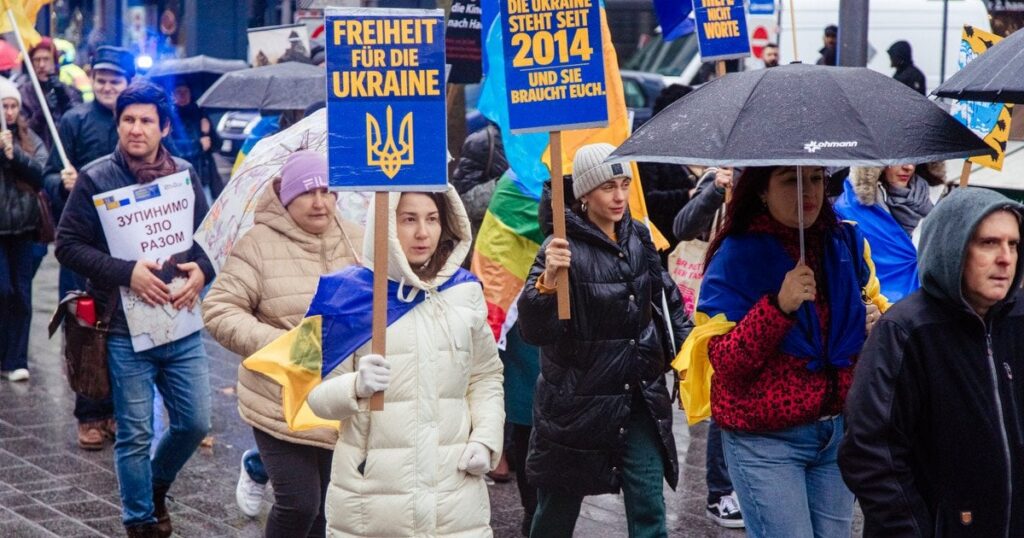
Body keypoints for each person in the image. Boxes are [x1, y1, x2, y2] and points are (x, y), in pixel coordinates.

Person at [683, 166, 888, 538]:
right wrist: (778, 307)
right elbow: (727, 363)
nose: (807, 191)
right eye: (790, 180)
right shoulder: (735, 255)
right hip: (766, 442)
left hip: (836, 433)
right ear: (762, 190)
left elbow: (870, 329)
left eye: (814, 179)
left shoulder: (846, 242)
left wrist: (873, 322)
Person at [55, 81, 214, 538]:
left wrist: (203, 272)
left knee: (194, 421)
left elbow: (206, 241)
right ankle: (140, 520)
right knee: (135, 433)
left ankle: (155, 484)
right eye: (128, 120)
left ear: (164, 127)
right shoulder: (95, 177)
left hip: (180, 325)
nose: (136, 129)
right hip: (122, 328)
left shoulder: (183, 173)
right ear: (118, 125)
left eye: (146, 121)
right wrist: (128, 273)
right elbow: (67, 246)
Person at [307, 187, 505, 537]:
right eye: (408, 219)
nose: (422, 233)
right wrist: (355, 385)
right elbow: (311, 396)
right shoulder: (342, 295)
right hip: (371, 503)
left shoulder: (465, 291)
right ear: (384, 222)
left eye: (432, 219)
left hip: (454, 498)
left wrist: (486, 439)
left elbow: (486, 376)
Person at [517, 143, 688, 537]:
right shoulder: (559, 248)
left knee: (649, 508)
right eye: (608, 186)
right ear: (584, 193)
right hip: (577, 404)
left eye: (624, 184)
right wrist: (546, 284)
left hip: (638, 397)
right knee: (556, 514)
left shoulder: (638, 235)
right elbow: (536, 330)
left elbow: (665, 298)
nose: (619, 196)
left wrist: (687, 351)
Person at [840, 187, 1024, 537]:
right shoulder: (906, 331)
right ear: (952, 246)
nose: (1005, 258)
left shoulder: (1018, 320)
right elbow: (869, 450)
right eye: (988, 243)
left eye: (1013, 244)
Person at [203, 150, 363, 535]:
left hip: (337, 398)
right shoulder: (258, 244)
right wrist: (285, 345)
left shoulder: (357, 239)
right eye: (308, 192)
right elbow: (218, 310)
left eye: (328, 190)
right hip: (278, 401)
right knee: (298, 503)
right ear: (287, 197)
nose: (320, 201)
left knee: (328, 508)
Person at [45, 45, 134, 451]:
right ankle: (89, 413)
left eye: (115, 80)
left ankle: (117, 409)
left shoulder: (136, 123)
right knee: (85, 329)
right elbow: (46, 177)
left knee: (124, 327)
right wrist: (59, 182)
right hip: (80, 245)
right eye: (101, 78)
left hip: (127, 246)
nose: (107, 86)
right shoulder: (74, 120)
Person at [669, 164, 745, 528]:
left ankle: (738, 485)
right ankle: (720, 492)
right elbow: (682, 226)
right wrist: (717, 189)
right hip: (717, 302)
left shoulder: (777, 179)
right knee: (723, 393)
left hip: (755, 295)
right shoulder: (720, 176)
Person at [0, 75, 48, 382]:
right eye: (3, 105)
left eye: (13, 105)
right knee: (3, 291)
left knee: (22, 294)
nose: (9, 112)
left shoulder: (29, 139)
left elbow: (40, 173)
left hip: (24, 230)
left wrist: (14, 154)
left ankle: (16, 359)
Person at [833, 164, 938, 302]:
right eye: (899, 157)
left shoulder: (935, 195)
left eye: (913, 158)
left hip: (928, 302)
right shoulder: (849, 209)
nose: (909, 167)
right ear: (877, 163)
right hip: (878, 309)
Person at [17, 37, 83, 149]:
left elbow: (79, 124)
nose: (41, 65)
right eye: (37, 60)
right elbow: (23, 132)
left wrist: (64, 98)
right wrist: (42, 113)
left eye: (46, 59)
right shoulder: (23, 94)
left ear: (55, 62)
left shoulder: (70, 91)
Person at [168, 82, 222, 201]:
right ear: (173, 95)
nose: (182, 95)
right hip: (181, 179)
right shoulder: (169, 118)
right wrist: (198, 145)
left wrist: (208, 131)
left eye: (185, 92)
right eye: (179, 92)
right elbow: (170, 147)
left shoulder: (200, 113)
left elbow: (217, 145)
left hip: (205, 177)